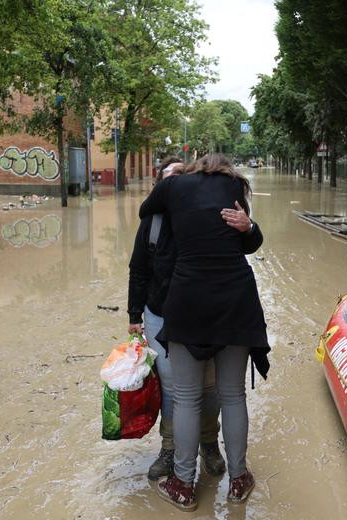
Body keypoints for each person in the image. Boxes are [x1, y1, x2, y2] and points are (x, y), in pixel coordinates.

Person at [138, 153, 269, 512]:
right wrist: (248, 226)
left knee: (186, 398)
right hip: (236, 301)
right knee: (233, 395)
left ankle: (183, 484)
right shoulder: (234, 187)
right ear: (225, 169)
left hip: (189, 299)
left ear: (194, 168)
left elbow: (145, 211)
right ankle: (238, 479)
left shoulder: (172, 186)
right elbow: (247, 244)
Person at [128, 156, 227, 481]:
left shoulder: (207, 216)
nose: (175, 183)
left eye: (182, 176)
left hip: (203, 315)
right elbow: (138, 269)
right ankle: (169, 448)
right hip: (159, 314)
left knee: (209, 385)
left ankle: (209, 443)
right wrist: (134, 315)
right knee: (172, 387)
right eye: (169, 177)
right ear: (160, 186)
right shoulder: (153, 222)